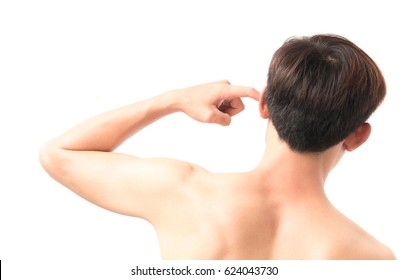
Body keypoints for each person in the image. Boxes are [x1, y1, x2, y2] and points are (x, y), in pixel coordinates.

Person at [39, 34, 395, 259]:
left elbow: (59, 154)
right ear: (358, 136)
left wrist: (173, 100)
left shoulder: (184, 194)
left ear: (264, 104)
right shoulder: (370, 259)